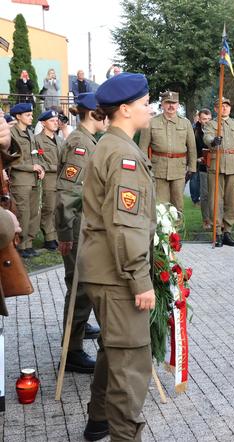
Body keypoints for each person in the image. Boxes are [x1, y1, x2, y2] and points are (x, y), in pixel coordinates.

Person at [78, 72, 155, 441]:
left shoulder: (110, 144)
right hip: (117, 275)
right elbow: (125, 227)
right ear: (125, 110)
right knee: (130, 361)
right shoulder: (123, 153)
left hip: (104, 271)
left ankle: (98, 420)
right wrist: (141, 280)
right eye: (144, 103)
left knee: (114, 348)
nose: (150, 108)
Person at [55, 92, 107, 374]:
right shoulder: (80, 144)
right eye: (102, 112)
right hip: (76, 227)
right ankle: (71, 351)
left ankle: (78, 329)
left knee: (82, 286)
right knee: (80, 287)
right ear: (93, 114)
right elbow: (67, 192)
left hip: (82, 224)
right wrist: (65, 233)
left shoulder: (86, 140)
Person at [139, 90, 197, 212]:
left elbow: (192, 148)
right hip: (158, 168)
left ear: (178, 105)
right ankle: (162, 231)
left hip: (179, 169)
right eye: (167, 103)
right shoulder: (151, 122)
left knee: (178, 205)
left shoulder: (185, 123)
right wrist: (145, 167)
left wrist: (192, 167)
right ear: (162, 104)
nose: (171, 106)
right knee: (160, 206)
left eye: (174, 103)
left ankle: (177, 230)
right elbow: (143, 147)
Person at [203, 97, 234, 247]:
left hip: (233, 166)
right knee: (216, 201)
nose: (224, 108)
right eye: (221, 106)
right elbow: (207, 137)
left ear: (230, 108)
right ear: (216, 109)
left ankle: (227, 230)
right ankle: (217, 232)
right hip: (217, 166)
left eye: (227, 106)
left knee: (232, 201)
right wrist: (213, 141)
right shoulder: (211, 124)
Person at [8, 103, 45, 258]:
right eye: (28, 115)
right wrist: (32, 167)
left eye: (31, 114)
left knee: (34, 213)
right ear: (18, 116)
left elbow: (36, 154)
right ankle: (20, 245)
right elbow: (12, 160)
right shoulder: (12, 134)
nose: (31, 117)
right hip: (20, 180)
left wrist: (41, 167)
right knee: (23, 213)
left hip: (34, 179)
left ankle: (28, 243)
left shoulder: (30, 133)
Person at [34, 110, 63, 251]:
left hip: (60, 180)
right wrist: (54, 166)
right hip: (48, 179)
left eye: (57, 120)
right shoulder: (37, 140)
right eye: (52, 120)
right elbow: (38, 161)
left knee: (58, 209)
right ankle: (49, 237)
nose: (56, 122)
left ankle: (56, 236)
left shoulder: (60, 140)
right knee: (48, 208)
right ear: (43, 123)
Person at [192, 108, 212, 230]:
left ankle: (217, 220)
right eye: (204, 119)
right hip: (203, 166)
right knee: (204, 195)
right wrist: (196, 159)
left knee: (216, 195)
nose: (207, 121)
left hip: (216, 165)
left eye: (209, 119)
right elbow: (191, 147)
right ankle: (206, 220)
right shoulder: (195, 131)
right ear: (199, 119)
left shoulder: (216, 128)